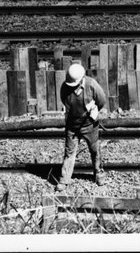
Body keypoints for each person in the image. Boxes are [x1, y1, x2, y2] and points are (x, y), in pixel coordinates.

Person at [57, 62, 107, 191]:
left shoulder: (91, 85)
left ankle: (99, 175)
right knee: (69, 153)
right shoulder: (65, 86)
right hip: (72, 126)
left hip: (89, 125)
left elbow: (101, 100)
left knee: (95, 150)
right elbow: (64, 100)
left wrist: (94, 110)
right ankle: (64, 179)